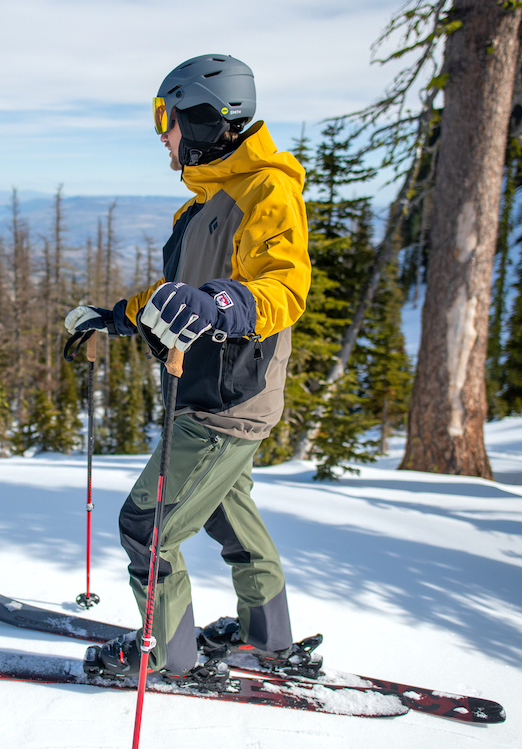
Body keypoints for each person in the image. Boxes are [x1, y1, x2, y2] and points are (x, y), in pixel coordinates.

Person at [64, 54, 312, 683]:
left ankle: (165, 655)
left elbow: (284, 284)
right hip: (215, 392)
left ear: (204, 116)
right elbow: (177, 294)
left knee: (147, 525)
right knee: (230, 510)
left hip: (227, 397)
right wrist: (117, 316)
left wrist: (227, 302)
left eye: (166, 119)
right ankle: (268, 637)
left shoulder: (268, 191)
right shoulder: (203, 207)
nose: (164, 135)